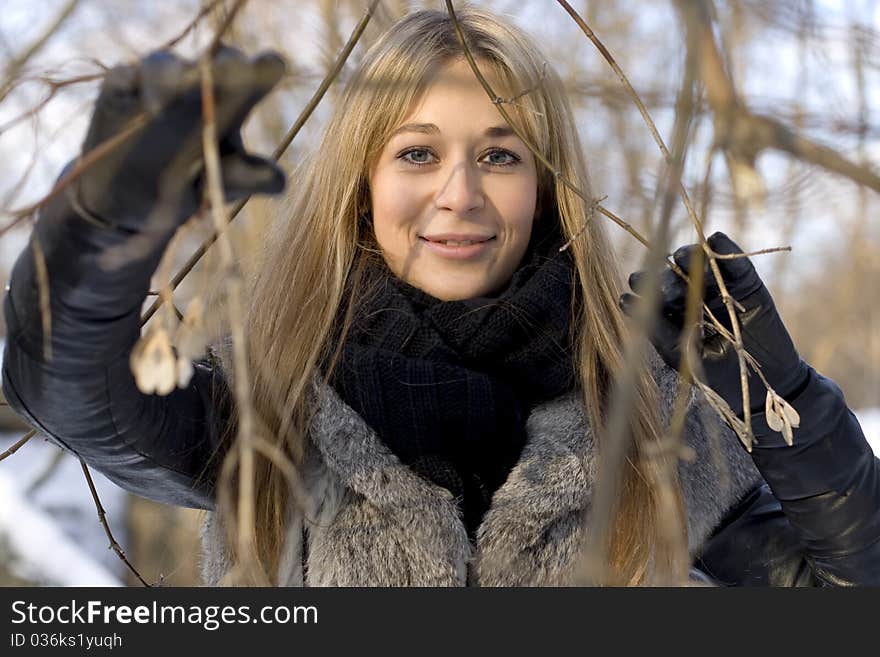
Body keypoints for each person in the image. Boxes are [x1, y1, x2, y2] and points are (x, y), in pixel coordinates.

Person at [2, 7, 878, 587]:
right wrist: (101, 223)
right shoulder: (275, 398)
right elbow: (71, 391)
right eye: (417, 154)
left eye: (499, 154)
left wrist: (787, 406)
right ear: (362, 183)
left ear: (544, 184)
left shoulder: (651, 418)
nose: (460, 194)